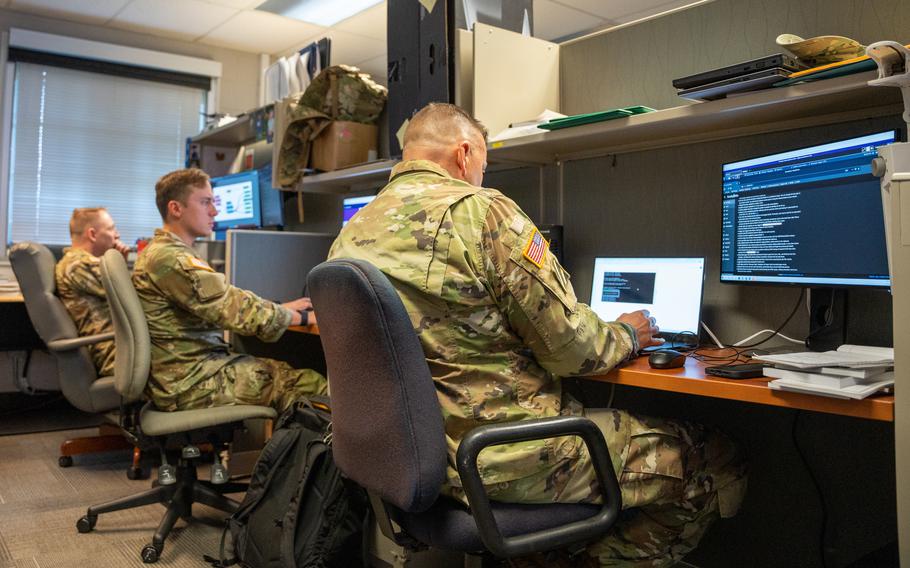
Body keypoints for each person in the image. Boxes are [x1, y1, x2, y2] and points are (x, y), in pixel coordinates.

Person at [328, 103, 747, 567]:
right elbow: (573, 351)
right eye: (483, 168)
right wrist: (628, 331)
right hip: (504, 456)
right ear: (465, 154)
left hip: (414, 461)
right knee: (717, 456)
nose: (482, 179)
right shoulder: (481, 213)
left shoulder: (351, 232)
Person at [132, 168, 326, 412]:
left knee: (288, 372)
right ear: (176, 208)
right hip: (190, 382)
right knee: (312, 385)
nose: (214, 211)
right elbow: (233, 309)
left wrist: (280, 309)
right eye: (205, 202)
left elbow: (226, 298)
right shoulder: (171, 258)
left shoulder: (161, 251)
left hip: (181, 373)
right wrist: (306, 316)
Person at [55, 207, 130, 377]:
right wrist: (117, 262)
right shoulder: (80, 265)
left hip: (122, 343)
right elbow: (134, 296)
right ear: (92, 234)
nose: (117, 235)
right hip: (115, 351)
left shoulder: (82, 263)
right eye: (111, 229)